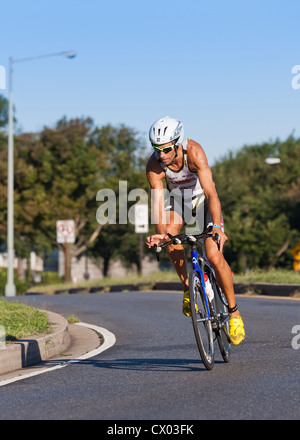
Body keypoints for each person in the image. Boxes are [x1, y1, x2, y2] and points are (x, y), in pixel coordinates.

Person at [146, 116, 245, 345]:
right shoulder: (154, 166)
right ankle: (187, 287)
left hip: (203, 203)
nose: (161, 155)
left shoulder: (194, 152)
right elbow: (158, 205)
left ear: (178, 143)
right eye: (156, 150)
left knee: (213, 254)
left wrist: (218, 227)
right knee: (170, 238)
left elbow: (211, 194)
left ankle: (234, 314)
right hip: (179, 202)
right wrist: (162, 235)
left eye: (166, 149)